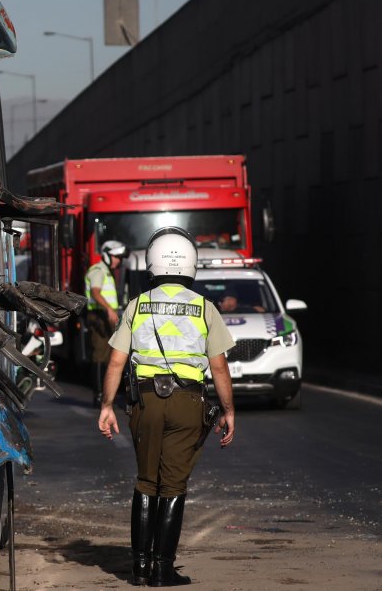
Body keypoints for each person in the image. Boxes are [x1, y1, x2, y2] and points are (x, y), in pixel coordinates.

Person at [96, 227, 237, 587]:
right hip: (188, 403)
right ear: (190, 264)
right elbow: (218, 367)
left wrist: (107, 405)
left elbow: (115, 362)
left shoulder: (137, 305)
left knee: (146, 482)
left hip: (145, 402)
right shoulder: (205, 308)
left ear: (152, 263)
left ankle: (139, 567)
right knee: (173, 484)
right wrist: (228, 410)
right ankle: (162, 569)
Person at [86, 239, 127, 406]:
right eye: (116, 257)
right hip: (99, 316)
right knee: (100, 355)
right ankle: (98, 395)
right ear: (107, 255)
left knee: (111, 354)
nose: (118, 260)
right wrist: (109, 309)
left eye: (120, 257)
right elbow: (95, 293)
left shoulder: (107, 271)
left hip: (105, 316)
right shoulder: (98, 271)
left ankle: (107, 393)